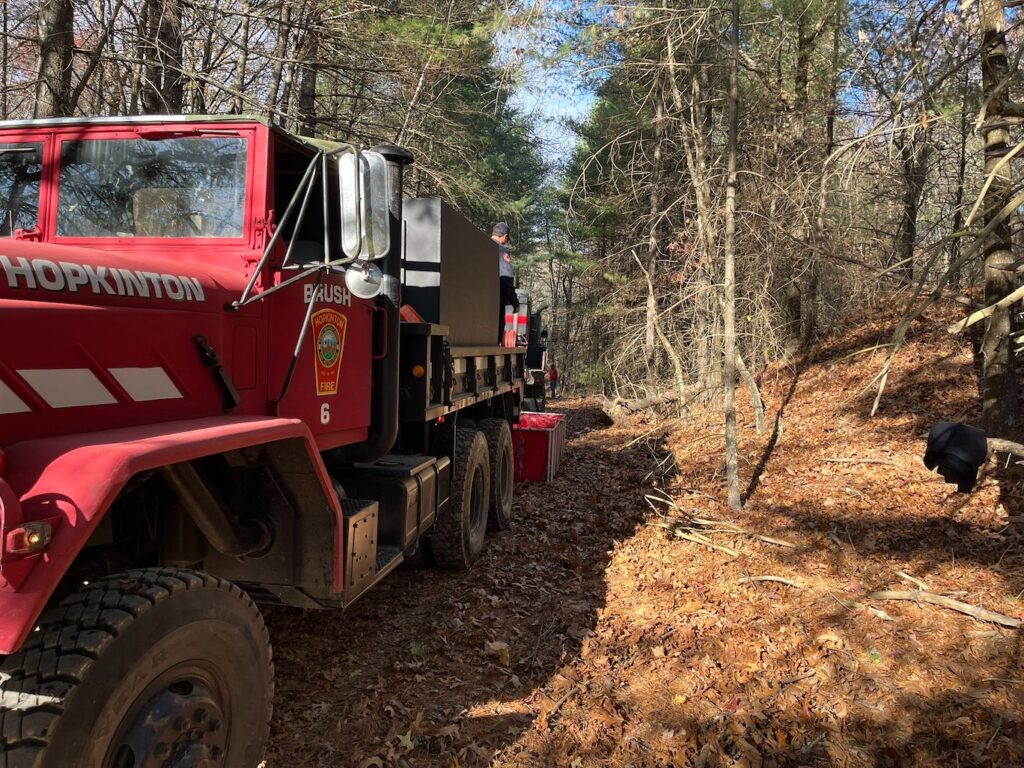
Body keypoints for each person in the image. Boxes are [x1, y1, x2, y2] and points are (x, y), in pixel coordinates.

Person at [492, 222, 519, 343]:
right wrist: (515, 302)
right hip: (493, 305)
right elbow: (506, 279)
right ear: (505, 236)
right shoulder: (502, 251)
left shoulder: (478, 246)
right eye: (507, 239)